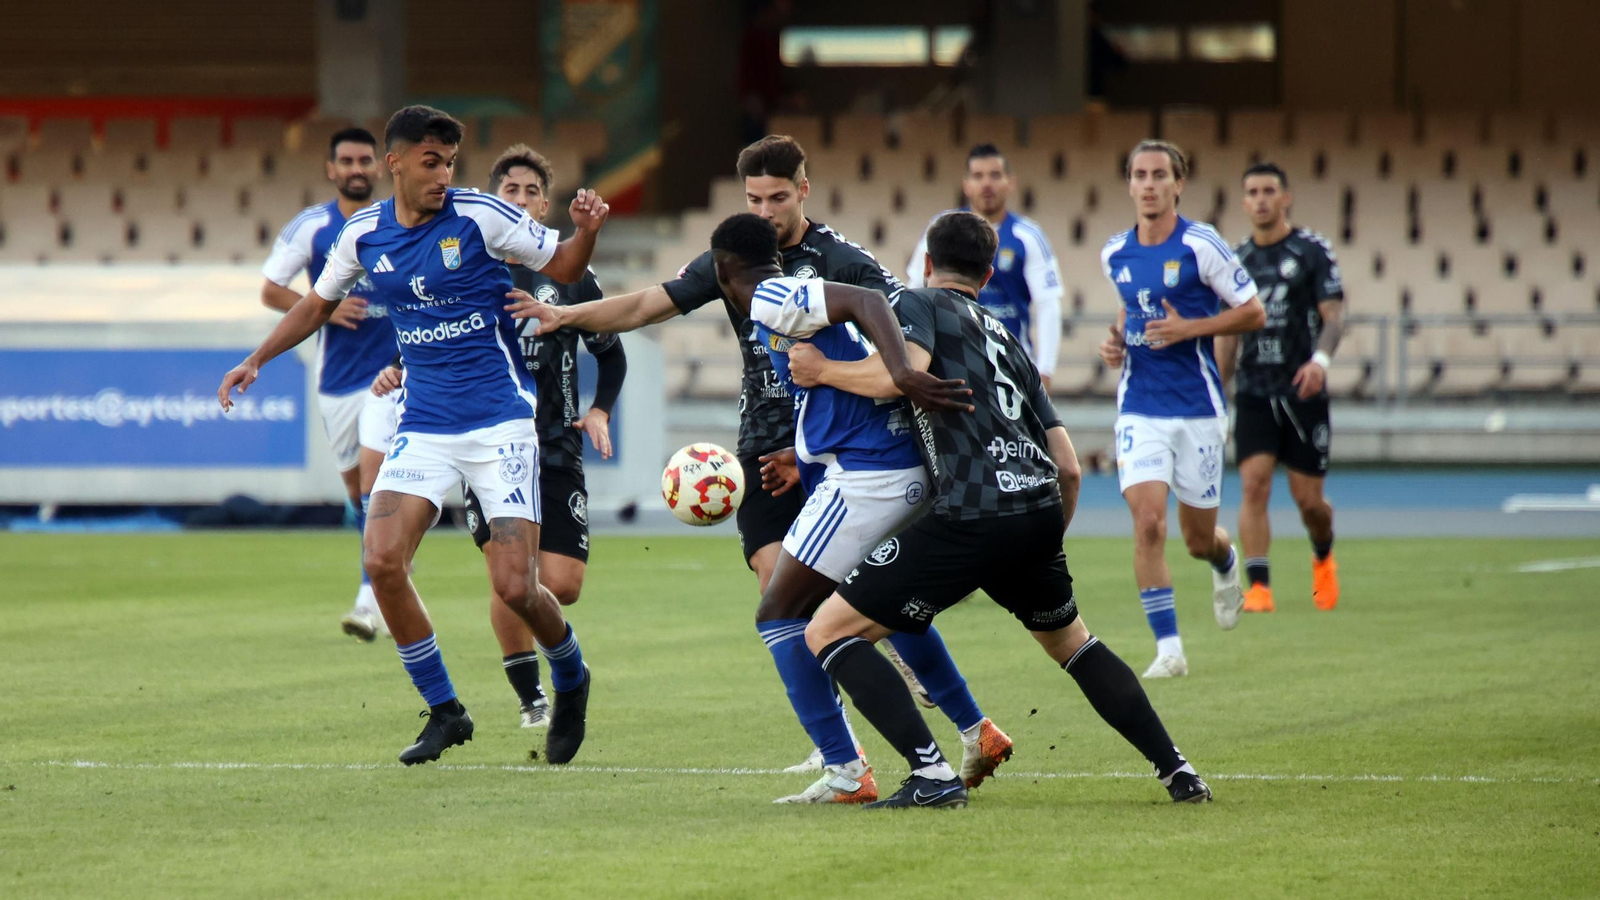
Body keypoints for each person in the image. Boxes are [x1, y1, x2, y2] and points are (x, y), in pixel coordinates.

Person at [511, 135, 971, 776]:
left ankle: (952, 722)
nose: (766, 210)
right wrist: (568, 317)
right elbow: (647, 303)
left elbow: (901, 325)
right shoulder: (734, 256)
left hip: (834, 445)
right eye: (754, 197)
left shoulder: (840, 260)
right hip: (760, 445)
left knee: (862, 600)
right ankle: (840, 746)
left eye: (778, 197)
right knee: (779, 588)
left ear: (804, 189)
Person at [218, 105, 610, 766]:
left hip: (499, 425)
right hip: (423, 424)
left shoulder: (482, 215)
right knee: (380, 561)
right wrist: (258, 358)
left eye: (450, 162)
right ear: (395, 162)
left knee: (517, 587)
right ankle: (446, 710)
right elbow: (316, 303)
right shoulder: (364, 234)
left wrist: (586, 232)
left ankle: (571, 676)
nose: (443, 175)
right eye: (431, 162)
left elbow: (567, 268)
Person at [796, 211, 1212, 808]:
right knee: (1074, 644)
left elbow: (903, 373)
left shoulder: (920, 302)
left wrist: (822, 371)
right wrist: (1044, 538)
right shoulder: (1008, 338)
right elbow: (1067, 462)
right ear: (990, 275)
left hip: (971, 510)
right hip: (1037, 508)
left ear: (928, 266)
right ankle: (1179, 771)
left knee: (827, 631)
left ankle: (932, 776)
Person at [687, 212, 1009, 804]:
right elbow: (834, 383)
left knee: (780, 612)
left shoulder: (770, 297)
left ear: (723, 269)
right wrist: (803, 454)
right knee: (878, 608)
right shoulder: (785, 303)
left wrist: (904, 375)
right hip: (883, 466)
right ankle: (974, 729)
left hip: (871, 478)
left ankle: (849, 768)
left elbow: (866, 301)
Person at [370, 144, 627, 729]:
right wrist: (396, 366)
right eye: (509, 191)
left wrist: (600, 411)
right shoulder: (466, 259)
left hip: (554, 443)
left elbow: (612, 358)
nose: (521, 199)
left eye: (532, 191)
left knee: (559, 583)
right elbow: (424, 327)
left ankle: (563, 667)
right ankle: (530, 694)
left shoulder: (571, 277)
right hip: (482, 438)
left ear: (545, 203)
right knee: (508, 577)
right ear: (493, 200)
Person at [1096, 140, 1265, 679]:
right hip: (1140, 406)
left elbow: (1254, 312)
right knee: (1148, 524)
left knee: (1197, 539)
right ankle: (1169, 649)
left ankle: (1224, 558)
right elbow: (1130, 310)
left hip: (1197, 408)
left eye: (1159, 175)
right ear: (1129, 184)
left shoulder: (1201, 245)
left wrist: (1191, 328)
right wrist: (1117, 343)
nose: (1148, 183)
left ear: (1178, 183)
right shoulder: (1113, 252)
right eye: (1139, 174)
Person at [259, 127, 396, 641]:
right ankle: (389, 573)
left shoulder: (395, 220)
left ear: (379, 166)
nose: (356, 168)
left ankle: (369, 599)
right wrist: (323, 310)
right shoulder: (311, 227)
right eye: (347, 161)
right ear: (330, 168)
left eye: (365, 160)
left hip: (393, 376)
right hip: (337, 379)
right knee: (360, 500)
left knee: (377, 487)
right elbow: (271, 289)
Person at [1216, 162, 1344, 614]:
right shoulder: (1236, 261)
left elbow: (1334, 317)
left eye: (1269, 190)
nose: (1261, 199)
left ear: (1285, 197)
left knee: (1309, 502)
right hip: (1254, 390)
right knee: (1254, 485)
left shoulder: (1312, 252)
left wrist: (1320, 362)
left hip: (1302, 392)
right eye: (1252, 191)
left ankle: (1323, 556)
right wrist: (1217, 390)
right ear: (1244, 200)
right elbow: (1228, 334)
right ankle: (1260, 587)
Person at [907, 143, 1064, 389]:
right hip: (949, 364)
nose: (987, 184)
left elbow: (1048, 305)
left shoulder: (1029, 237)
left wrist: (1045, 370)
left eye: (995, 175)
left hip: (1012, 367)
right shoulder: (940, 229)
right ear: (966, 185)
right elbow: (914, 291)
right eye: (978, 176)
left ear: (1010, 183)